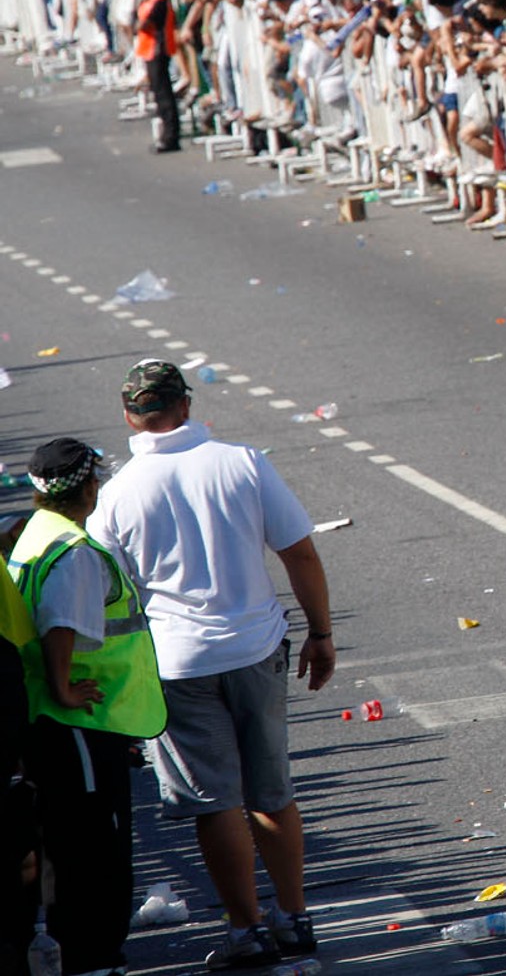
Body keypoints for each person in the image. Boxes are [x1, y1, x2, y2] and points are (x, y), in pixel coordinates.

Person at [89, 360, 336, 971]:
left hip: (176, 664)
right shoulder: (242, 462)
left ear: (129, 416)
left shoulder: (118, 493)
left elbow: (98, 590)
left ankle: (247, 931)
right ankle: (296, 919)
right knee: (272, 792)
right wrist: (321, 633)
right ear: (186, 406)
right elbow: (300, 552)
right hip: (255, 648)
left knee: (214, 802)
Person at [7, 438, 166, 976]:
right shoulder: (74, 550)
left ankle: (77, 949)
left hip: (53, 719)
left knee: (66, 838)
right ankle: (93, 955)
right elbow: (60, 626)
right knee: (92, 842)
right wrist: (64, 686)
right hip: (78, 720)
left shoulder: (35, 533)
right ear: (91, 487)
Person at [135, 0, 183, 153]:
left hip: (158, 50)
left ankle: (171, 137)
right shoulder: (148, 1)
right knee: (158, 93)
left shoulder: (160, 0)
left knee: (164, 95)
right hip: (148, 51)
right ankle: (166, 134)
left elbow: (145, 24)